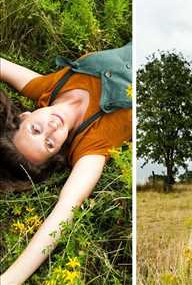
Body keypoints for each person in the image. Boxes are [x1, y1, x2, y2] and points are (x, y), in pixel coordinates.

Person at [0, 42, 132, 284]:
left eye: (35, 129)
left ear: (25, 116)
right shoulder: (91, 146)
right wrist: (10, 280)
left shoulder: (44, 87)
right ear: (59, 152)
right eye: (49, 144)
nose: (50, 129)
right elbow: (64, 211)